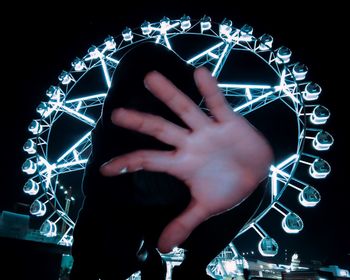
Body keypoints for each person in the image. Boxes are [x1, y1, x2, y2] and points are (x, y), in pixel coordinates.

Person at [69, 41, 273, 280]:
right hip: (134, 210)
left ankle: (185, 266)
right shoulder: (118, 162)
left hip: (136, 210)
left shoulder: (124, 146)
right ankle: (189, 267)